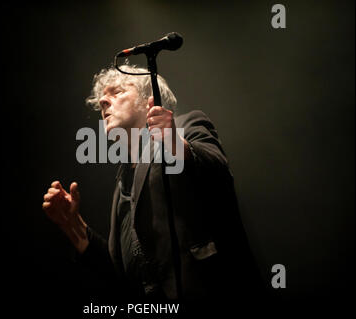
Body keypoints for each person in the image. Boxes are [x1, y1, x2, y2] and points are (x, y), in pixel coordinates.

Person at [42, 64, 263, 302]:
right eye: (101, 99)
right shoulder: (124, 179)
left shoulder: (185, 126)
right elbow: (125, 274)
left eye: (116, 92)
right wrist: (74, 226)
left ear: (149, 99)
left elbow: (217, 171)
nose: (104, 102)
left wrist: (175, 143)